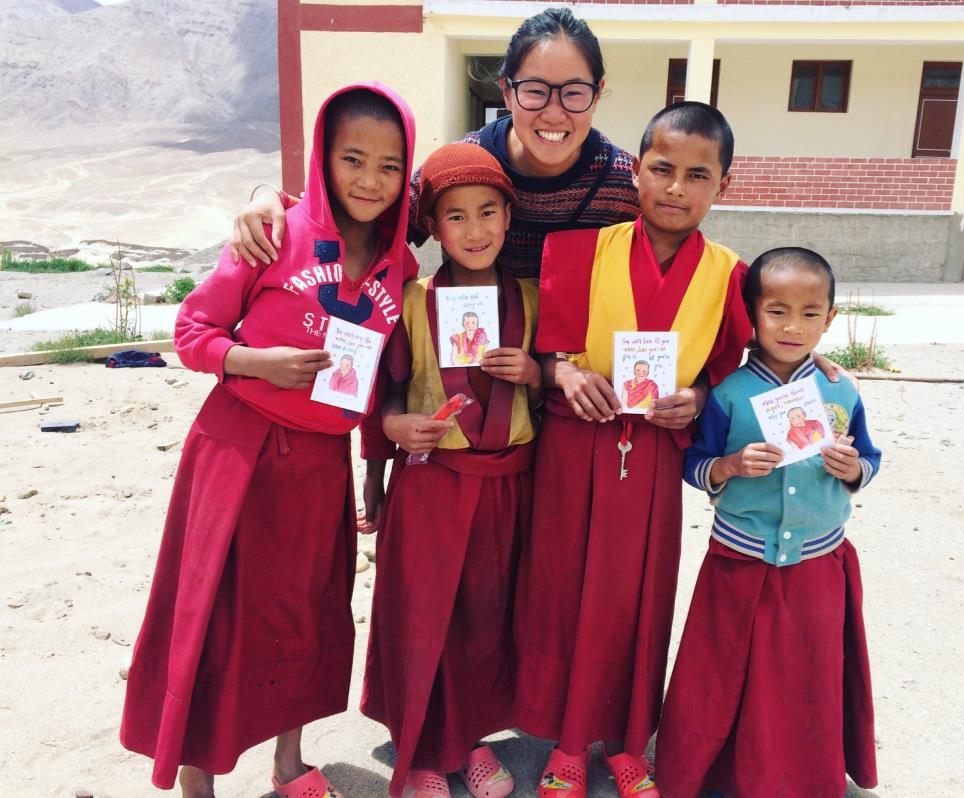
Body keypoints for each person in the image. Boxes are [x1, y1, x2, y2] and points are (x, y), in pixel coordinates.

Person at [119, 83, 418, 798]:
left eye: (388, 165)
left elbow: (378, 383)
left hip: (320, 467)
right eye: (352, 158)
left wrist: (373, 477)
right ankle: (200, 777)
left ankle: (289, 764)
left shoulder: (400, 266)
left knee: (306, 615)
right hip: (237, 453)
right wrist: (261, 363)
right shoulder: (274, 232)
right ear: (322, 155)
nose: (370, 180)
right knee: (220, 615)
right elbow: (191, 334)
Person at [514, 102, 753, 798]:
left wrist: (702, 400)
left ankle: (625, 739)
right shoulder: (579, 250)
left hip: (649, 459)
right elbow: (550, 347)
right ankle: (564, 740)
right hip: (576, 447)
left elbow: (729, 371)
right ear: (637, 172)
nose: (676, 188)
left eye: (697, 175)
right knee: (564, 592)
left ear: (723, 186)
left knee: (640, 598)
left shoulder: (730, 276)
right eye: (662, 169)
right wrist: (565, 371)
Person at [656, 247, 881, 798]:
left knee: (806, 673)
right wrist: (730, 466)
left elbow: (871, 458)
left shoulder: (840, 390)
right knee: (724, 668)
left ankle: (798, 774)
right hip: (740, 556)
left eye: (810, 313)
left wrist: (855, 470)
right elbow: (694, 464)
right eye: (776, 310)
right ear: (752, 315)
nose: (793, 326)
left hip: (817, 560)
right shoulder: (730, 394)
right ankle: (706, 769)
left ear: (830, 320)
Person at [360, 142, 540, 798]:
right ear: (432, 227)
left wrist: (537, 372)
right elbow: (385, 395)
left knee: (484, 623)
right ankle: (423, 753)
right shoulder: (410, 300)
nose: (474, 230)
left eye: (487, 212)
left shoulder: (532, 298)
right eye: (454, 216)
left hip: (508, 488)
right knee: (423, 620)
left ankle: (468, 742)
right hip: (431, 487)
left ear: (509, 217)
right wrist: (385, 444)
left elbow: (558, 395)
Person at [229, 8, 640, 279]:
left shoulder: (623, 183)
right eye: (535, 90)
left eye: (573, 92)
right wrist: (272, 199)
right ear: (507, 91)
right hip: (470, 366)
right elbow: (367, 212)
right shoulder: (465, 165)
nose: (554, 113)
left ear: (598, 92)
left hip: (576, 380)